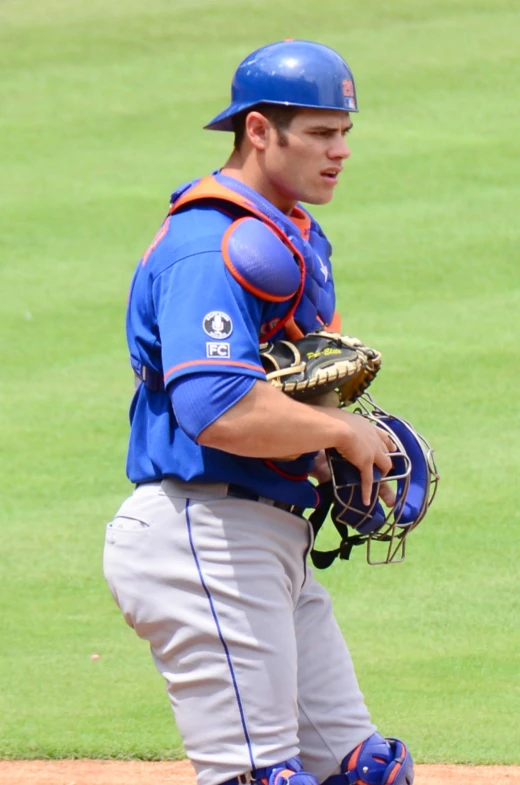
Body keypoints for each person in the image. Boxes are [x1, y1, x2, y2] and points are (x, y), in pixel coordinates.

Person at [103, 40, 414, 785]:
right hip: (203, 537)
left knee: (363, 771)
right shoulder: (213, 244)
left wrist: (326, 448)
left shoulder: (288, 232)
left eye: (345, 131)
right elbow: (215, 408)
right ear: (258, 131)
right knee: (261, 779)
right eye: (318, 132)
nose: (339, 150)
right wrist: (343, 430)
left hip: (263, 538)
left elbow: (274, 389)